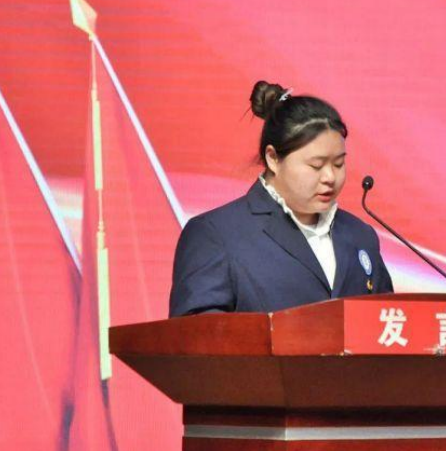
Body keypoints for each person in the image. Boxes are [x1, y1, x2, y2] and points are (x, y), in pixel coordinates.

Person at [168, 81, 393, 316]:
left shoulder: (360, 235)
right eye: (316, 166)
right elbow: (197, 332)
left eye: (338, 164)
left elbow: (387, 321)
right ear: (273, 158)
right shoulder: (216, 234)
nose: (330, 177)